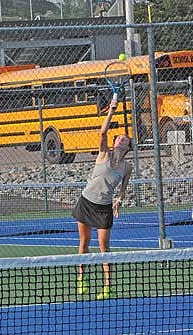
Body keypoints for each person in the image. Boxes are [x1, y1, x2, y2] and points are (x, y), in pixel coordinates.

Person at [72, 98, 133, 300]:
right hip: (86, 202)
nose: (121, 139)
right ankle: (81, 280)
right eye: (119, 138)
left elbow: (123, 188)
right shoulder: (103, 154)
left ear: (128, 146)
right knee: (84, 242)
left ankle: (108, 287)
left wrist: (119, 200)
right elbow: (102, 132)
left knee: (104, 247)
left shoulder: (127, 167)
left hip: (104, 209)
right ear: (115, 142)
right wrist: (112, 110)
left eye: (125, 139)